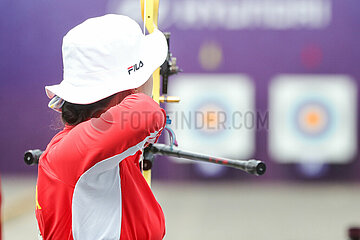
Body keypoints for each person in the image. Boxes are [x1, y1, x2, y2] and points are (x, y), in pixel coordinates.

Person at [35, 14, 168, 240]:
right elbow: (146, 113)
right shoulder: (68, 155)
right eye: (147, 73)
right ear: (129, 90)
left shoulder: (105, 152)